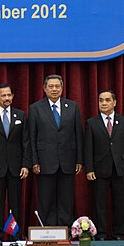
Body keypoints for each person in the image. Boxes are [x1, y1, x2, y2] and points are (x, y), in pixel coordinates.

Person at [27, 74, 84, 227]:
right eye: (50, 86)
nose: (54, 89)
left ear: (62, 88)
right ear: (44, 89)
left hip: (68, 161)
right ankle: (48, 232)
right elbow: (31, 137)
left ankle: (65, 231)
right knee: (46, 200)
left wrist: (79, 159)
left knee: (66, 199)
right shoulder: (35, 108)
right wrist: (34, 161)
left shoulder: (72, 106)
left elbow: (78, 134)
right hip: (45, 162)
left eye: (57, 86)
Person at [84, 90, 124, 240]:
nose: (103, 103)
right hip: (99, 170)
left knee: (120, 203)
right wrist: (89, 168)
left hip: (119, 169)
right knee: (99, 204)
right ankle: (101, 234)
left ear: (114, 102)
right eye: (101, 100)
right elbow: (88, 147)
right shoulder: (92, 122)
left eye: (107, 100)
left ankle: (119, 233)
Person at [0, 83, 30, 235]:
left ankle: (14, 234)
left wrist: (25, 164)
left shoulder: (20, 115)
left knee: (15, 203)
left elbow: (25, 142)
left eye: (9, 95)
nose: (7, 98)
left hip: (16, 167)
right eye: (3, 95)